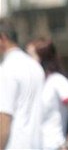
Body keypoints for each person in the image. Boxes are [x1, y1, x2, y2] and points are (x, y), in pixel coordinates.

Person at [25, 37, 68, 150]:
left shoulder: (57, 81)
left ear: (43, 59)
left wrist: (67, 145)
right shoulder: (30, 84)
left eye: (30, 56)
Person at [0, 20, 44, 150]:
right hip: (36, 144)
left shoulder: (6, 70)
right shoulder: (36, 67)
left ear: (3, 38)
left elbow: (4, 118)